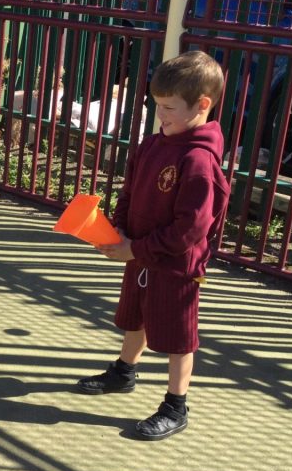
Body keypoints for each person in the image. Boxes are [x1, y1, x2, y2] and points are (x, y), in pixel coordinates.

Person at [77, 50, 229, 440]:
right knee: (136, 315)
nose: (160, 114)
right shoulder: (152, 144)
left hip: (176, 265)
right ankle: (124, 372)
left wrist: (137, 249)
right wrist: (120, 231)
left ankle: (176, 405)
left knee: (179, 336)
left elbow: (191, 228)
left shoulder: (199, 160)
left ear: (202, 105)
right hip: (141, 252)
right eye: (157, 104)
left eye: (169, 107)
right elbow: (130, 190)